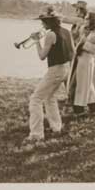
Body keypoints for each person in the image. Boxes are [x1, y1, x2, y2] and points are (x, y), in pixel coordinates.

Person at [24, 9, 72, 145]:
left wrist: (36, 41)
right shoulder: (66, 31)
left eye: (43, 21)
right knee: (50, 97)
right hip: (66, 68)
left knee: (35, 99)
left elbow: (42, 56)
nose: (41, 24)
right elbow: (72, 52)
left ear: (48, 22)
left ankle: (36, 134)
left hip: (56, 70)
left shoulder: (50, 34)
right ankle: (56, 127)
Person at [71, 10, 95, 117]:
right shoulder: (84, 30)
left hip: (87, 61)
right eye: (85, 18)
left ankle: (81, 109)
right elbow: (76, 40)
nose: (85, 20)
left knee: (85, 85)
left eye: (87, 18)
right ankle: (92, 108)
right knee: (83, 84)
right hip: (80, 59)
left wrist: (84, 44)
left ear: (92, 20)